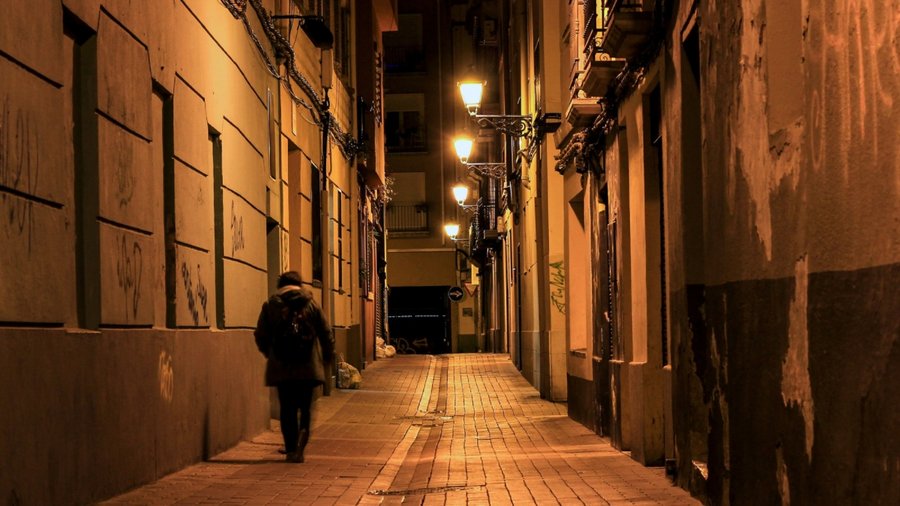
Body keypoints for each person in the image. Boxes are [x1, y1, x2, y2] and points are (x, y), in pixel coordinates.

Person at [254, 271, 334, 463]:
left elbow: (260, 335)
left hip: (282, 368)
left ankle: (290, 449)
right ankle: (300, 447)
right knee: (305, 408)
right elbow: (326, 333)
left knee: (287, 409)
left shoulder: (271, 305)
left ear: (280, 285)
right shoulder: (311, 304)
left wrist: (270, 354)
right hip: (308, 367)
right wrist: (326, 358)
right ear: (299, 284)